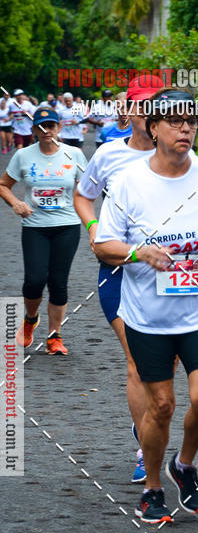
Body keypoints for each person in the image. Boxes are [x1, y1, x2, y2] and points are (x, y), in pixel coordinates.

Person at [94, 88, 198, 523]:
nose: (186, 129)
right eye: (175, 121)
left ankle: (185, 464)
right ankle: (154, 486)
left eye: (192, 122)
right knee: (161, 406)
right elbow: (103, 244)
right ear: (153, 127)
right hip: (148, 317)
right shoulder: (129, 182)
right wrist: (140, 253)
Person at [74, 74, 165, 483]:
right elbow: (82, 194)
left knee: (165, 366)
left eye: (155, 106)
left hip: (171, 275)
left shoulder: (182, 154)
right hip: (119, 270)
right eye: (140, 106)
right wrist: (93, 226)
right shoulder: (109, 154)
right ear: (128, 111)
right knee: (137, 361)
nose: (147, 114)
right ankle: (147, 447)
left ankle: (153, 428)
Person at [0, 106, 86, 354]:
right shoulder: (23, 156)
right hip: (35, 226)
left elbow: (87, 190)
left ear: (59, 127)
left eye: (50, 125)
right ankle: (30, 320)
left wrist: (91, 223)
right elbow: (4, 185)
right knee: (34, 281)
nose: (45, 130)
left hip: (67, 225)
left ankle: (54, 337)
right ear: (33, 129)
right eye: (40, 126)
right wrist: (16, 203)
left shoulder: (74, 155)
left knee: (58, 283)